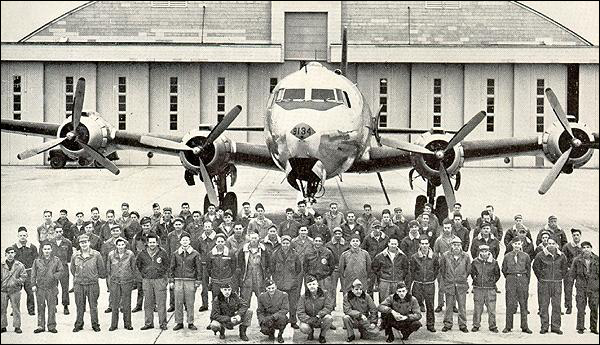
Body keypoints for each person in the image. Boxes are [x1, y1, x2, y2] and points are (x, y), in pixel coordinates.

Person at [71, 234, 106, 332]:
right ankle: (79, 324)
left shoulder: (96, 255)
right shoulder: (75, 255)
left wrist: (92, 276)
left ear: (89, 243)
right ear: (79, 244)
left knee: (93, 305)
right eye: (81, 243)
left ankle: (95, 324)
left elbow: (101, 269)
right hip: (79, 284)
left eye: (85, 242)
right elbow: (73, 270)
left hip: (92, 284)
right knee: (79, 305)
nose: (84, 244)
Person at [533, 238, 568, 334]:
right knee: (544, 305)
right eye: (549, 243)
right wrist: (541, 278)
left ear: (556, 244)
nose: (551, 245)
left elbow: (565, 268)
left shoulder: (562, 256)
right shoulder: (540, 255)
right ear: (546, 244)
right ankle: (544, 326)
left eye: (553, 243)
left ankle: (555, 327)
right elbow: (536, 267)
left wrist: (560, 277)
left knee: (556, 305)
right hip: (544, 283)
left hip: (557, 283)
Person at [136, 234, 169, 331]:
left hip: (159, 280)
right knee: (148, 302)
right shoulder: (142, 253)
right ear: (147, 243)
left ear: (157, 243)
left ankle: (163, 323)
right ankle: (148, 323)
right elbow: (138, 266)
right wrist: (143, 275)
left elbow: (167, 265)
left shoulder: (162, 253)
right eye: (150, 242)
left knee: (161, 303)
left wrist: (163, 276)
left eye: (154, 242)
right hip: (147, 280)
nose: (152, 244)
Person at [169, 233, 202, 331]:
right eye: (183, 240)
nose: (185, 242)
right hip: (178, 280)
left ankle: (190, 322)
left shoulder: (195, 254)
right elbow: (171, 268)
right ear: (180, 241)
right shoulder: (175, 253)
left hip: (190, 280)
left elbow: (198, 268)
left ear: (190, 241)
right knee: (178, 302)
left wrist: (198, 280)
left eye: (187, 240)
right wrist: (171, 280)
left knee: (190, 302)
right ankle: (179, 322)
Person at [501, 237, 533, 334]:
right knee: (510, 303)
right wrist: (510, 277)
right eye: (515, 244)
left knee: (523, 304)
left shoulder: (526, 256)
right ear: (512, 245)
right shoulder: (507, 256)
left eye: (519, 244)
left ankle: (524, 326)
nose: (517, 246)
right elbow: (504, 269)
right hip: (511, 279)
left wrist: (525, 282)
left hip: (522, 279)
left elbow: (528, 270)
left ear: (521, 245)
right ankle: (508, 326)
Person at [270, 235, 302, 329]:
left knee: (293, 304)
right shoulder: (275, 254)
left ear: (290, 244)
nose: (285, 245)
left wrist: (292, 278)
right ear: (281, 243)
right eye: (284, 243)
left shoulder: (295, 254)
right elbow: (272, 268)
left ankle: (293, 321)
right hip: (279, 283)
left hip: (292, 283)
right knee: (278, 304)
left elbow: (298, 268)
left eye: (287, 243)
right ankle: (278, 321)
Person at [440, 237, 471, 333]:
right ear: (451, 246)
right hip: (449, 284)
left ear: (461, 246)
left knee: (462, 306)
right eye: (454, 245)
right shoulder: (445, 256)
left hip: (461, 284)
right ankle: (447, 324)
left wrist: (462, 278)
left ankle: (462, 325)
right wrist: (448, 279)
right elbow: (442, 270)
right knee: (449, 306)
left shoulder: (466, 256)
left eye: (458, 245)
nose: (456, 247)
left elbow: (468, 270)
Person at [31, 243, 63, 334]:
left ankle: (51, 326)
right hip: (40, 287)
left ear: (51, 250)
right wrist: (33, 284)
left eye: (49, 249)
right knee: (40, 307)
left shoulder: (56, 260)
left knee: (52, 307)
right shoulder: (37, 261)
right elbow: (33, 273)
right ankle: (40, 326)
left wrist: (54, 276)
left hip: (51, 287)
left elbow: (61, 271)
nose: (47, 251)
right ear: (42, 250)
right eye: (45, 249)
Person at [410, 237, 439, 332]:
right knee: (415, 305)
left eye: (426, 243)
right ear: (419, 245)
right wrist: (417, 278)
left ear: (429, 245)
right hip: (418, 284)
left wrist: (431, 278)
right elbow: (412, 271)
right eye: (422, 244)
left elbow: (436, 269)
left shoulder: (434, 256)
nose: (424, 246)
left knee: (430, 305)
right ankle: (415, 324)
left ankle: (430, 324)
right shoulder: (414, 257)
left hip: (429, 284)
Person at [106, 237, 136, 331]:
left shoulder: (130, 254)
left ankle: (128, 324)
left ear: (125, 245)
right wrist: (110, 281)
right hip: (115, 281)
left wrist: (132, 279)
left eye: (122, 244)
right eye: (119, 245)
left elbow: (133, 267)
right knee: (115, 303)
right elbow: (108, 269)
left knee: (127, 303)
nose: (121, 247)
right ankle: (114, 325)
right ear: (116, 245)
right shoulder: (111, 254)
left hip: (126, 281)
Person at [470, 244, 501, 333]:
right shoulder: (475, 262)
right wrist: (476, 279)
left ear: (489, 252)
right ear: (479, 252)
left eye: (486, 251)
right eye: (482, 251)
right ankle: (476, 325)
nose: (484, 253)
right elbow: (472, 273)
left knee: (491, 308)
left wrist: (492, 281)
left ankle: (492, 325)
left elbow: (497, 274)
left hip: (490, 288)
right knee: (477, 308)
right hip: (478, 288)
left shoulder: (494, 262)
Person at [206, 233, 237, 319]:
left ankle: (228, 319)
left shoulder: (230, 253)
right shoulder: (210, 254)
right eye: (218, 241)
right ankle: (213, 319)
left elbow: (233, 267)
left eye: (222, 241)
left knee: (228, 300)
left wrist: (228, 275)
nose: (220, 243)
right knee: (215, 300)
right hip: (216, 281)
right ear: (216, 242)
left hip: (226, 280)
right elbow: (208, 268)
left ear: (225, 242)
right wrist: (213, 276)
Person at [571, 241, 598, 334]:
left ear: (591, 248)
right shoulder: (577, 260)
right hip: (581, 287)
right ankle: (580, 327)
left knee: (594, 307)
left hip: (594, 287)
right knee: (581, 307)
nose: (586, 249)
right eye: (584, 247)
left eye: (588, 247)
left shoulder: (597, 259)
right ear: (581, 250)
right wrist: (572, 289)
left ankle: (593, 327)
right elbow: (572, 274)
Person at [297, 275, 334, 343]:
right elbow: (300, 311)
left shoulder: (325, 293)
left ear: (317, 284)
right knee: (303, 327)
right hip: (310, 320)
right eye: (310, 284)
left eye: (314, 284)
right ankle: (310, 333)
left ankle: (322, 335)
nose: (312, 286)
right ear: (307, 286)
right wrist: (308, 319)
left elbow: (328, 307)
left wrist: (319, 315)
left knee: (329, 318)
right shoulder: (303, 297)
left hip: (320, 318)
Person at [372, 237, 409, 302]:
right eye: (392, 244)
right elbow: (374, 268)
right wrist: (381, 275)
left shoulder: (403, 256)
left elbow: (406, 269)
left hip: (397, 282)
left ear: (397, 244)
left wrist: (401, 277)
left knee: (397, 301)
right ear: (388, 244)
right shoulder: (380, 256)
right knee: (384, 301)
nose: (393, 246)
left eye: (395, 244)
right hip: (385, 282)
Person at [433, 220, 459, 313]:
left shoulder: (456, 239)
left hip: (453, 266)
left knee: (453, 286)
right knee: (441, 287)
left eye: (448, 227)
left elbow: (460, 252)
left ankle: (453, 305)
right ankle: (440, 304)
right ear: (443, 228)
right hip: (442, 266)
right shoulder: (439, 240)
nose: (447, 229)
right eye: (445, 228)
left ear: (451, 228)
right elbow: (435, 253)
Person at [238, 232, 270, 306]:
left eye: (255, 238)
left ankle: (263, 316)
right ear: (249, 239)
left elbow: (268, 263)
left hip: (260, 278)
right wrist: (240, 276)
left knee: (262, 299)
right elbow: (239, 264)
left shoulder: (264, 250)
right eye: (252, 238)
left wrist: (267, 275)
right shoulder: (243, 250)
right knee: (244, 300)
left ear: (258, 238)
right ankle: (245, 316)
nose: (254, 240)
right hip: (247, 278)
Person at [1, 247, 27, 334]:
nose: (10, 254)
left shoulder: (19, 265)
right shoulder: (2, 265)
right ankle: (2, 326)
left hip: (15, 290)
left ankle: (17, 326)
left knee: (16, 309)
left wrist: (17, 281)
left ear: (15, 254)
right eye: (8, 253)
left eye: (12, 252)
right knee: (2, 308)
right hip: (3, 290)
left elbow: (24, 276)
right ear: (5, 254)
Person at [13, 226, 38, 316]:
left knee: (30, 292)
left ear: (27, 235)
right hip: (17, 273)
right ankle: (14, 309)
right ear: (18, 236)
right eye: (21, 235)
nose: (22, 237)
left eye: (24, 235)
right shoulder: (14, 248)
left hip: (29, 272)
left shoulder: (32, 247)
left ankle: (31, 309)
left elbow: (36, 261)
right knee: (15, 292)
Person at [193, 219, 217, 312]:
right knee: (204, 286)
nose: (207, 229)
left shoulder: (216, 238)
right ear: (203, 228)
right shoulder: (200, 239)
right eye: (205, 227)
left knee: (215, 286)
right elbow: (197, 251)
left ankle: (215, 304)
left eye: (209, 226)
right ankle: (205, 304)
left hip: (214, 265)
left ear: (212, 227)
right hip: (203, 265)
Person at [361, 220, 388, 298]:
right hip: (371, 265)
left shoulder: (385, 238)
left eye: (379, 228)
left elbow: (388, 250)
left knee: (382, 286)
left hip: (382, 265)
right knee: (370, 285)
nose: (377, 230)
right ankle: (370, 304)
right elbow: (363, 250)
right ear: (372, 228)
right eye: (375, 228)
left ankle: (382, 304)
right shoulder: (368, 238)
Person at [257, 278, 289, 343]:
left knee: (282, 319)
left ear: (276, 287)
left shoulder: (283, 295)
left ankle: (280, 335)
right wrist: (262, 321)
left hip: (278, 317)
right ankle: (271, 333)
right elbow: (260, 311)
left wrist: (273, 317)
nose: (271, 290)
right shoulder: (261, 297)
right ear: (266, 288)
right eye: (269, 288)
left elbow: (285, 309)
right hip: (267, 318)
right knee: (264, 330)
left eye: (273, 288)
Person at [51, 227, 73, 315]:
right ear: (54, 232)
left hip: (63, 267)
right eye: (57, 232)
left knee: (65, 288)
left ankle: (65, 306)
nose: (58, 233)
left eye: (60, 231)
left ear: (63, 232)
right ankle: (54, 305)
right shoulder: (50, 242)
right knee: (53, 287)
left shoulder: (67, 242)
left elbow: (69, 255)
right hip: (53, 268)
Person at [326, 227, 349, 309]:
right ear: (334, 234)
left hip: (344, 269)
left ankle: (346, 305)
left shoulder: (346, 244)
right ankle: (331, 305)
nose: (338, 235)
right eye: (336, 234)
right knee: (332, 288)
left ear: (342, 234)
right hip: (334, 269)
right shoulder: (329, 245)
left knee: (345, 288)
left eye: (339, 233)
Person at [562, 228, 583, 315]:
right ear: (572, 236)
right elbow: (563, 258)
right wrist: (566, 268)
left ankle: (581, 308)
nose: (576, 237)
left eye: (577, 235)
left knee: (581, 290)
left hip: (580, 271)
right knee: (568, 289)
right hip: (569, 271)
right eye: (574, 235)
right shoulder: (567, 246)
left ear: (580, 236)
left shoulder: (583, 247)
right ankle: (568, 306)